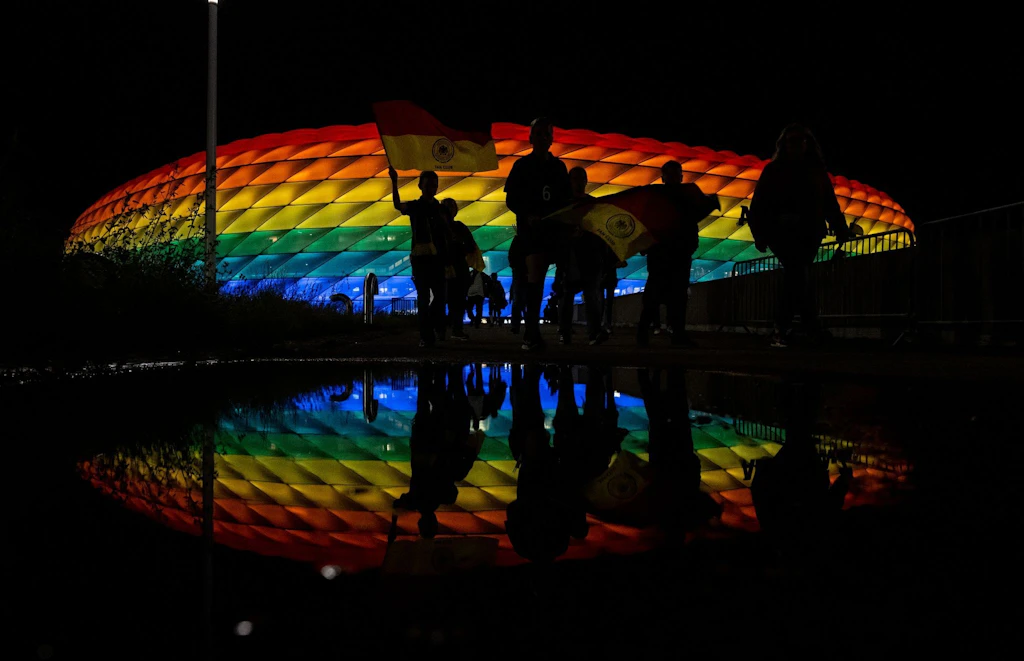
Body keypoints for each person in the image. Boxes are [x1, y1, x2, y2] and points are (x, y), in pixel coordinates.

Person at [748, 123, 852, 348]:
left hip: (809, 232)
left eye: (800, 140)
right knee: (798, 274)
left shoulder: (816, 172)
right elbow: (758, 205)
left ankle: (790, 329)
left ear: (808, 144)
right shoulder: (773, 171)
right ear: (784, 144)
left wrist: (840, 228)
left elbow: (829, 203)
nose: (796, 145)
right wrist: (760, 234)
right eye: (791, 140)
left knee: (797, 277)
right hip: (782, 232)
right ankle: (799, 327)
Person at [504, 117, 572, 351]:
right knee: (535, 277)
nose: (543, 138)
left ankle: (533, 332)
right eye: (539, 133)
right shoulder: (522, 166)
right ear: (531, 138)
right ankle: (531, 332)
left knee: (541, 279)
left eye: (547, 134)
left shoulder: (558, 167)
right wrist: (527, 214)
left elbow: (566, 198)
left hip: (552, 231)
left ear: (552, 139)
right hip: (531, 232)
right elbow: (510, 199)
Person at [636, 160, 720, 348]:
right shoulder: (666, 196)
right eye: (671, 174)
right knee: (658, 295)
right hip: (664, 252)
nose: (675, 177)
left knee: (673, 295)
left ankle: (666, 334)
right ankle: (652, 333)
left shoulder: (675, 195)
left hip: (676, 251)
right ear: (664, 176)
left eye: (677, 174)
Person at [389, 166, 448, 348]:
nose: (432, 188)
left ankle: (430, 326)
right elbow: (398, 205)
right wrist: (394, 182)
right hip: (421, 258)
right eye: (428, 185)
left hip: (437, 258)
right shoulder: (415, 206)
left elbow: (446, 232)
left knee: (440, 297)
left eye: (434, 185)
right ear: (420, 186)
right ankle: (426, 335)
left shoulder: (440, 208)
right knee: (423, 297)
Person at [556, 166, 609, 346]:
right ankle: (566, 332)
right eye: (575, 179)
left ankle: (593, 333)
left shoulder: (592, 204)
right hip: (569, 256)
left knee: (591, 294)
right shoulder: (563, 205)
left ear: (586, 181)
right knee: (567, 295)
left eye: (581, 179)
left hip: (590, 256)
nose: (578, 183)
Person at [441, 197, 477, 341]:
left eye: (452, 207)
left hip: (455, 269)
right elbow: (470, 246)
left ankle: (452, 328)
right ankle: (451, 328)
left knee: (455, 299)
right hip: (452, 268)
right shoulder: (457, 227)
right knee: (451, 299)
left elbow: (470, 246)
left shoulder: (456, 227)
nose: (450, 211)